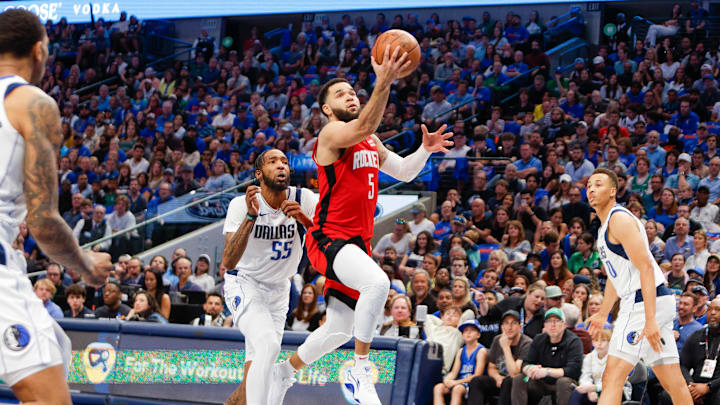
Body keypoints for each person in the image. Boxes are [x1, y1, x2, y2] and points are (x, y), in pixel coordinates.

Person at [273, 47, 453, 405]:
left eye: (353, 91)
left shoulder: (370, 140)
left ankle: (285, 371)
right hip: (327, 237)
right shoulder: (331, 135)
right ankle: (359, 367)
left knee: (340, 328)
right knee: (378, 282)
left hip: (356, 241)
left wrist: (425, 150)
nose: (351, 95)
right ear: (326, 109)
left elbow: (403, 171)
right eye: (341, 94)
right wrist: (383, 81)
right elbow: (367, 124)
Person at [0, 9, 112, 403]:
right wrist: (85, 265)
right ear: (38, 50)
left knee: (58, 347)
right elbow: (43, 220)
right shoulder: (31, 102)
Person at [586, 168, 692, 405]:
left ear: (613, 191)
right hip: (651, 301)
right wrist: (603, 313)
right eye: (589, 185)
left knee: (612, 375)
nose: (591, 189)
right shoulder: (604, 229)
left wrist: (650, 318)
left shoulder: (619, 219)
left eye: (598, 184)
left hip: (644, 302)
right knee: (672, 379)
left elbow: (645, 267)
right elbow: (617, 277)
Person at [221, 148, 316, 405]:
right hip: (244, 282)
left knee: (252, 378)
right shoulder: (241, 204)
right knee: (269, 347)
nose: (281, 165)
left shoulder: (304, 198)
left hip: (280, 290)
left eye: (284, 161)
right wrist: (251, 217)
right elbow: (228, 261)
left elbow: (328, 239)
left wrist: (306, 221)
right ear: (259, 174)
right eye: (273, 162)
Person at [513, 307, 584, 405]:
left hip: (563, 382)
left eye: (556, 321)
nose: (552, 325)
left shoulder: (573, 341)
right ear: (544, 325)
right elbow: (526, 363)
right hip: (542, 382)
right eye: (549, 321)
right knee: (519, 379)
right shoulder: (539, 339)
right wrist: (530, 369)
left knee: (563, 382)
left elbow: (573, 370)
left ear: (564, 325)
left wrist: (547, 371)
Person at [660, 297, 720, 404]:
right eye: (710, 309)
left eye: (718, 309)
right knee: (667, 395)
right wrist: (690, 386)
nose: (713, 313)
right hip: (694, 386)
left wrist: (708, 387)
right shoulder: (697, 335)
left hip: (716, 386)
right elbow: (683, 365)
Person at [467, 309, 532, 405]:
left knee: (508, 381)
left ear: (520, 327)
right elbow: (491, 367)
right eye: (506, 323)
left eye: (513, 323)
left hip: (519, 383)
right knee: (477, 381)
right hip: (500, 380)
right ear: (502, 327)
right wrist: (497, 377)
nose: (509, 327)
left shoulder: (527, 343)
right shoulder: (497, 340)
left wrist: (506, 347)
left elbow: (515, 373)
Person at [433, 319, 487, 405]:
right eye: (466, 331)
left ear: (478, 335)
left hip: (471, 384)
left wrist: (455, 382)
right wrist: (447, 380)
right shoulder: (461, 351)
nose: (468, 333)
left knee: (457, 389)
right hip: (460, 381)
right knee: (438, 387)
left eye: (472, 330)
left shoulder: (481, 351)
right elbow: (454, 372)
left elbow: (477, 375)